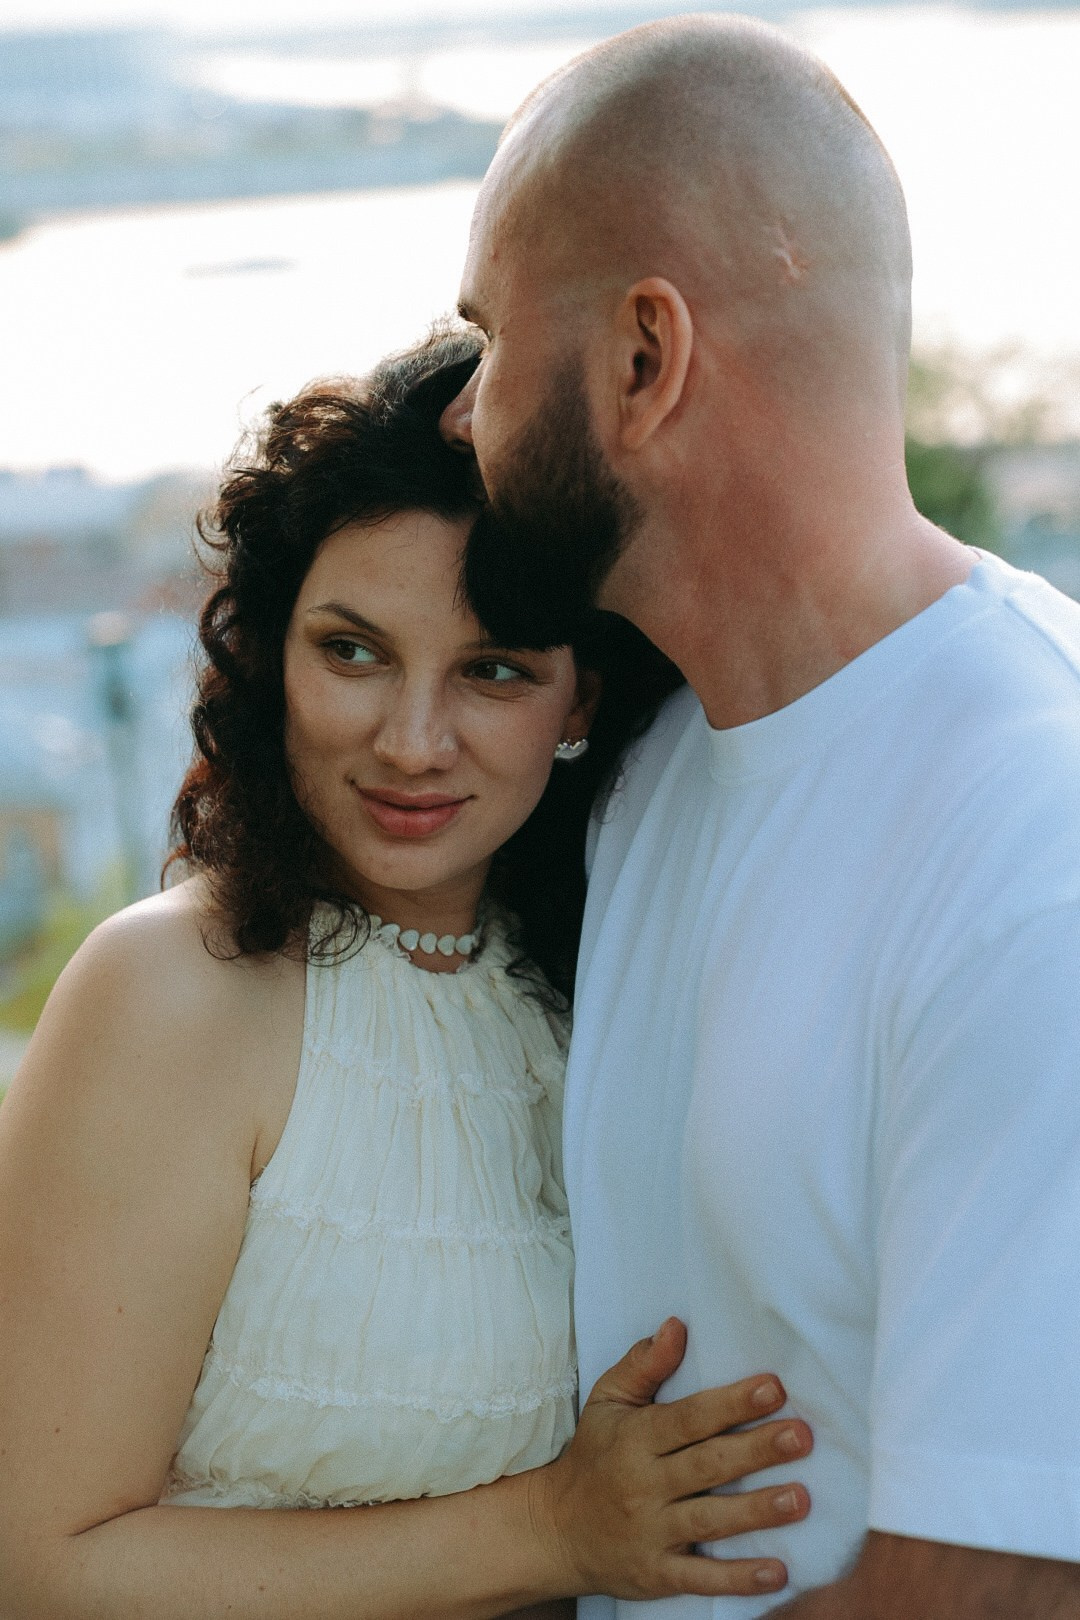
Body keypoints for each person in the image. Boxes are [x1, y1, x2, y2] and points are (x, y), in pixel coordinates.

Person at [0, 331, 814, 1620]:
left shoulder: (595, 988)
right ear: (273, 656)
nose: (412, 742)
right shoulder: (173, 991)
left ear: (582, 703)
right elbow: (40, 1565)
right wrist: (554, 1529)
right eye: (353, 650)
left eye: (493, 672)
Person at [438, 14, 1080, 1618]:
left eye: (490, 344)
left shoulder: (1030, 842)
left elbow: (999, 1585)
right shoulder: (658, 763)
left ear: (644, 362)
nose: (465, 416)